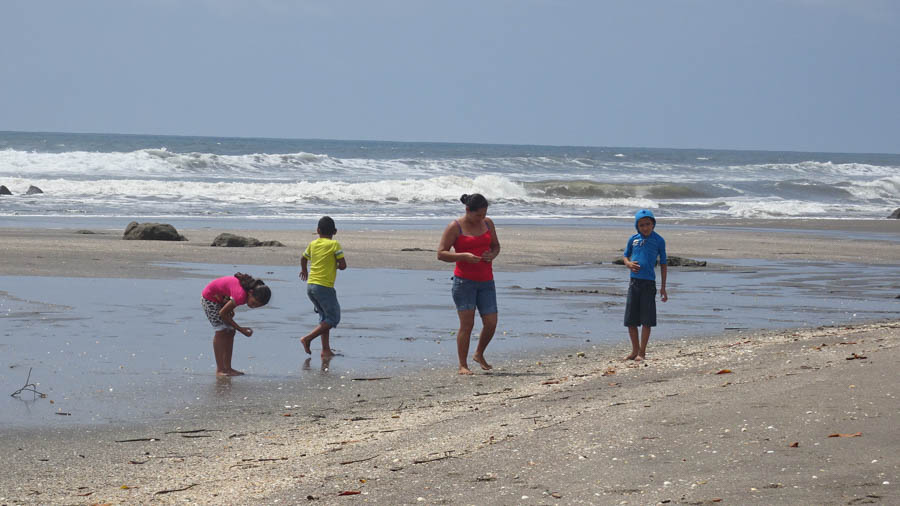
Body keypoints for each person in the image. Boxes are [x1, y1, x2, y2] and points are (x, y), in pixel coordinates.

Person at [437, 193, 501, 375]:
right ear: (467, 210)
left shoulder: (488, 223)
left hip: (486, 281)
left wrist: (492, 255)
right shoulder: (455, 227)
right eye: (478, 215)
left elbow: (496, 246)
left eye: (484, 214)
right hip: (464, 282)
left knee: (491, 322)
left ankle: (479, 353)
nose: (481, 218)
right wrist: (463, 256)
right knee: (467, 325)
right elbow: (441, 253)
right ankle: (462, 365)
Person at [201, 272, 271, 376]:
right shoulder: (241, 295)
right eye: (253, 303)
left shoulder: (246, 292)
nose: (253, 306)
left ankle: (228, 368)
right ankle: (220, 369)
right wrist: (241, 329)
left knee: (231, 331)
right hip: (210, 298)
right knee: (221, 330)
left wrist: (229, 309)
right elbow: (222, 313)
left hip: (221, 299)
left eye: (257, 306)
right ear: (250, 292)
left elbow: (229, 295)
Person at [622, 209, 668, 361]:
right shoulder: (633, 239)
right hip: (634, 283)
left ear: (653, 224)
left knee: (647, 320)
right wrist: (628, 264)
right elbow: (625, 256)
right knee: (631, 320)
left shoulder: (659, 240)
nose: (645, 227)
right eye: (641, 225)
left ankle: (642, 352)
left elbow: (663, 264)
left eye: (648, 224)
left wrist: (663, 287)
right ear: (637, 226)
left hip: (649, 284)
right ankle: (634, 350)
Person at [299, 216, 347, 358]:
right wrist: (335, 265)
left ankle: (325, 350)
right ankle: (307, 338)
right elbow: (343, 265)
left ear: (318, 230)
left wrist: (304, 270)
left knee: (324, 318)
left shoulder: (313, 244)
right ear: (335, 231)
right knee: (333, 317)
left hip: (310, 286)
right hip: (324, 287)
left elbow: (303, 258)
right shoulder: (334, 245)